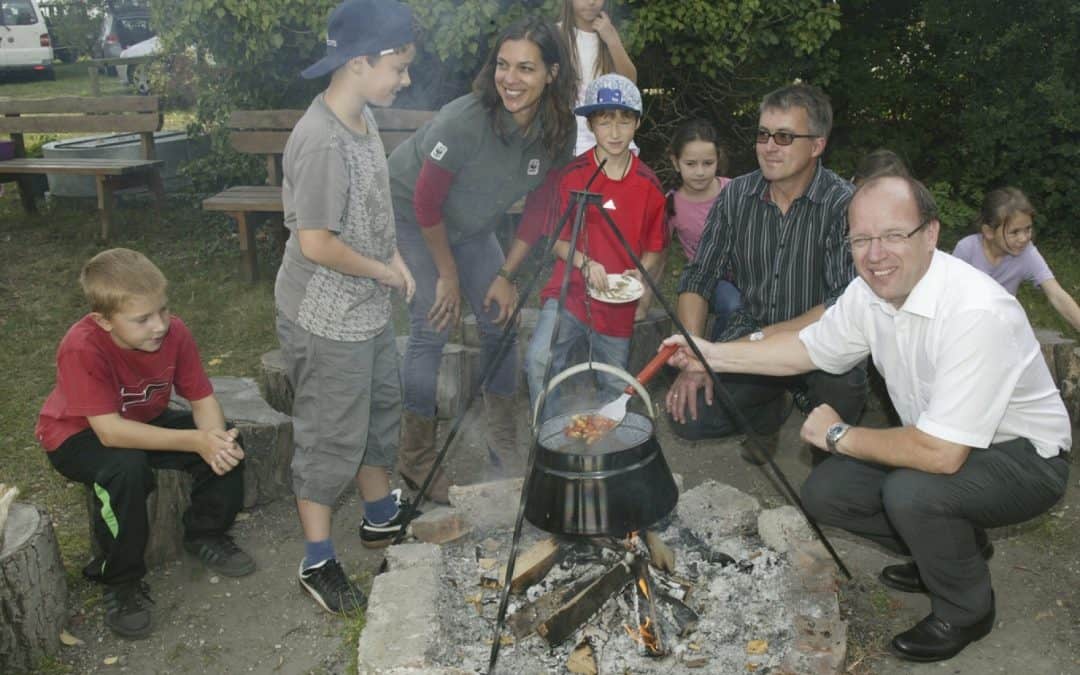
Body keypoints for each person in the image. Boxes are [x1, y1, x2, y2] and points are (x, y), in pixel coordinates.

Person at [662, 174, 1071, 663]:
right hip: (945, 443)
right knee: (827, 492)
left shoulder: (976, 311)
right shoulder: (869, 293)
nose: (876, 254)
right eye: (861, 239)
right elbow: (805, 348)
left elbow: (941, 454)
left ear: (930, 234)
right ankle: (950, 550)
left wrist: (839, 434)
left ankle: (967, 611)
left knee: (913, 492)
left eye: (893, 235)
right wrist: (711, 354)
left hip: (1026, 458)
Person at [389, 16, 577, 494]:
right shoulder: (465, 120)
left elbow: (540, 206)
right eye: (503, 65)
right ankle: (416, 456)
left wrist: (506, 275)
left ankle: (502, 443)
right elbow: (425, 203)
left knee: (500, 321)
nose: (510, 79)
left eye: (526, 68)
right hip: (412, 216)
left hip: (470, 226)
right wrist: (447, 276)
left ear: (552, 73)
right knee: (433, 321)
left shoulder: (559, 129)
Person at [275, 0, 417, 616]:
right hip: (326, 317)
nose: (405, 79)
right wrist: (383, 270)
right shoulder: (321, 142)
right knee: (331, 434)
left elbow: (373, 209)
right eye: (399, 68)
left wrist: (394, 258)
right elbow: (317, 243)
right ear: (360, 61)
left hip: (366, 307)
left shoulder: (363, 117)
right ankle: (317, 560)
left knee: (378, 412)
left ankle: (380, 514)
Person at [36, 248, 254, 639]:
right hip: (77, 435)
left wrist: (214, 441)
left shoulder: (175, 333)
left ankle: (205, 533)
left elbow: (202, 399)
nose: (159, 326)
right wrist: (196, 440)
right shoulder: (81, 345)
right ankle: (120, 581)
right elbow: (109, 433)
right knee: (126, 470)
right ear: (104, 320)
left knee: (226, 435)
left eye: (163, 310)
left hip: (141, 422)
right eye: (143, 319)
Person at [667, 83, 866, 464]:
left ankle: (829, 460)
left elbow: (842, 303)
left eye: (784, 137)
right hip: (753, 329)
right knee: (689, 416)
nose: (769, 146)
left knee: (843, 386)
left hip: (821, 340)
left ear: (817, 145)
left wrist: (745, 346)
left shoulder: (845, 204)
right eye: (763, 134)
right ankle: (768, 414)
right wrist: (695, 352)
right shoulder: (735, 195)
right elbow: (699, 275)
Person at [523, 74, 665, 421]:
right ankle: (549, 431)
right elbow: (557, 241)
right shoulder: (574, 175)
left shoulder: (648, 184)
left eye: (624, 121)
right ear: (591, 125)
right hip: (569, 292)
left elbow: (655, 247)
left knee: (614, 383)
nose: (615, 132)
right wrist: (585, 263)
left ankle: (605, 442)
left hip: (616, 302)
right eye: (605, 121)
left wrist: (641, 275)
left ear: (637, 124)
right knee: (540, 359)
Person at [952, 187, 1080, 333]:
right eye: (1014, 232)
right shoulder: (967, 249)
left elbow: (1056, 294)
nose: (1024, 238)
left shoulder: (1027, 253)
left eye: (1028, 229)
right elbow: (948, 295)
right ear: (989, 232)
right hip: (965, 325)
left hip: (1002, 327)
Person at [654, 118, 735, 323]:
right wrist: (647, 291)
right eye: (690, 164)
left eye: (708, 163)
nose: (700, 172)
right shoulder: (671, 204)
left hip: (748, 275)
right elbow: (660, 253)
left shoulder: (734, 190)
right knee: (733, 304)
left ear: (718, 160)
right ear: (676, 162)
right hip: (707, 279)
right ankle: (719, 343)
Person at [556, 0, 637, 156]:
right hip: (568, 138)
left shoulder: (609, 33)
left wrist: (612, 41)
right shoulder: (556, 34)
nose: (591, 2)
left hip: (611, 136)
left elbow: (630, 83)